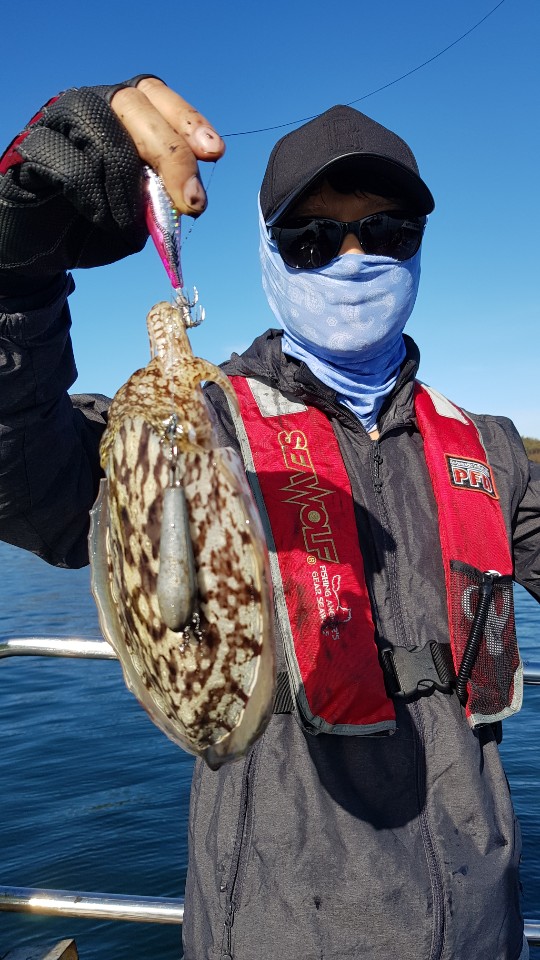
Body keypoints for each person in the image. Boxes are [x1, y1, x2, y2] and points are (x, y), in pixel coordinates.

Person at [0, 76, 538, 960]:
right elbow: (23, 474)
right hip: (278, 928)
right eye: (312, 239)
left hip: (482, 928)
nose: (353, 260)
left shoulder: (491, 449)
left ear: (418, 250)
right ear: (269, 257)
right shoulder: (195, 423)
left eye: (387, 233)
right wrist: (17, 263)